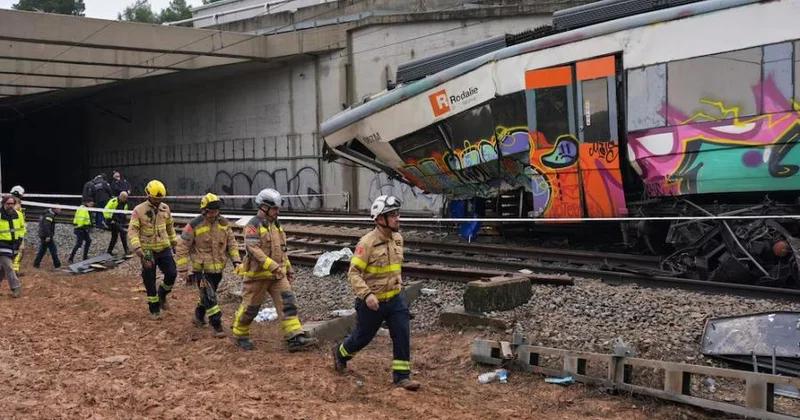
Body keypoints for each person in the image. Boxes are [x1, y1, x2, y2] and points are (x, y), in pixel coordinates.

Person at [332, 195, 420, 391]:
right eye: (393, 215)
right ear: (380, 219)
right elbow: (353, 273)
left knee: (402, 333)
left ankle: (402, 377)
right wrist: (367, 295)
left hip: (395, 299)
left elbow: (394, 268)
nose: (398, 218)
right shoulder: (367, 243)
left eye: (398, 214)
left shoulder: (398, 238)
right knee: (362, 338)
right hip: (372, 303)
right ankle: (340, 353)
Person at [230, 188, 316, 351]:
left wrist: (288, 269)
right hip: (257, 276)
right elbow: (254, 250)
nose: (278, 212)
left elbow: (282, 250)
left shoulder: (276, 225)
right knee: (250, 308)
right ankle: (240, 333)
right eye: (275, 208)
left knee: (288, 303)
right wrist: (274, 267)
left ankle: (294, 336)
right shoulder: (252, 226)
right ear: (264, 207)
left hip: (277, 275)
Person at [175, 193, 241, 337]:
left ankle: (198, 316)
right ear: (204, 210)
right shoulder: (193, 225)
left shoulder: (224, 223)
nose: (214, 213)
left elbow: (232, 243)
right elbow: (182, 246)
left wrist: (236, 261)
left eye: (216, 210)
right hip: (202, 269)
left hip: (218, 268)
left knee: (206, 295)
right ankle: (217, 325)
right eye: (211, 210)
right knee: (210, 297)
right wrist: (182, 268)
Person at [128, 180, 177, 320]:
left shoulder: (165, 209)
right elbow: (132, 231)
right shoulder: (139, 210)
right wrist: (138, 248)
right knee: (149, 279)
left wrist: (174, 243)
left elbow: (170, 228)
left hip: (164, 247)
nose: (158, 201)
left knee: (171, 274)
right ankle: (154, 308)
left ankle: (162, 295)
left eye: (160, 199)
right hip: (147, 250)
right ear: (148, 195)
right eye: (155, 199)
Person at [0, 195, 25, 297]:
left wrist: (19, 240)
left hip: (14, 245)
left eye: (12, 204)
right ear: (3, 204)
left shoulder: (18, 214)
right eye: (8, 204)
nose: (10, 206)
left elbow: (22, 229)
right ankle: (16, 287)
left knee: (2, 269)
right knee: (9, 267)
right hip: (2, 245)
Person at [104, 191, 130, 256]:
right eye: (124, 198)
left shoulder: (125, 203)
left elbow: (124, 212)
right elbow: (105, 210)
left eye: (126, 198)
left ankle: (109, 251)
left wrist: (124, 221)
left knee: (114, 237)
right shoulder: (113, 201)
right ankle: (126, 250)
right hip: (112, 221)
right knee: (123, 232)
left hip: (119, 221)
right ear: (120, 196)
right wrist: (109, 219)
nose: (125, 199)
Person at [68, 199, 93, 264]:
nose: (92, 205)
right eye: (91, 204)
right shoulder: (83, 209)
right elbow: (81, 219)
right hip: (81, 228)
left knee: (88, 241)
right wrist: (82, 227)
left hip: (83, 228)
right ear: (87, 203)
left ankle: (85, 257)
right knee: (79, 244)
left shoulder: (83, 208)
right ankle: (71, 258)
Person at [10, 185, 26, 276]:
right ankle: (14, 271)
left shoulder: (6, 201)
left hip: (13, 231)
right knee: (19, 251)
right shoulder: (16, 203)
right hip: (16, 232)